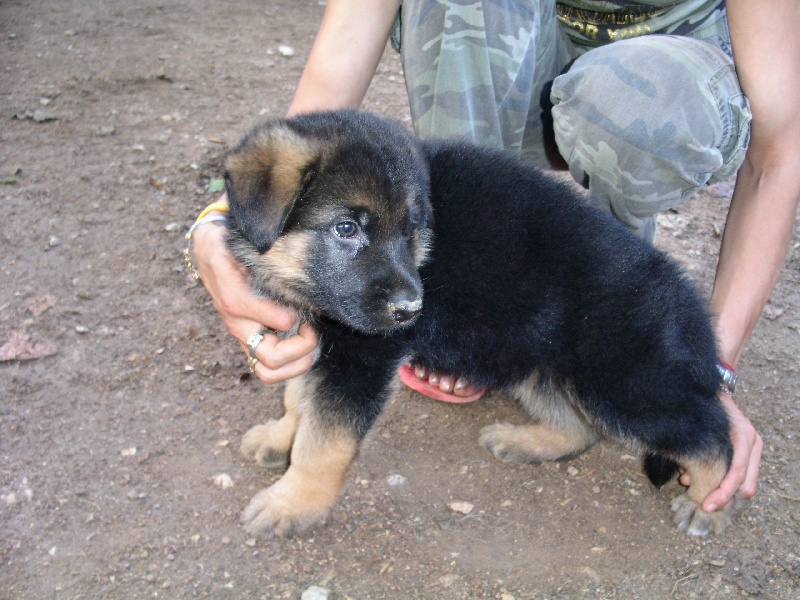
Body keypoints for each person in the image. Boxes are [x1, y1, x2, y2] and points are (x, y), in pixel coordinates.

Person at [190, 0, 800, 514]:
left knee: (624, 383)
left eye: (407, 235)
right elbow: (312, 123)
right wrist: (219, 226)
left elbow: (781, 151)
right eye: (351, 231)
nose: (402, 283)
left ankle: (703, 460)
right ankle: (565, 421)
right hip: (515, 103)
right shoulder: (308, 193)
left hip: (657, 99)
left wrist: (704, 374)